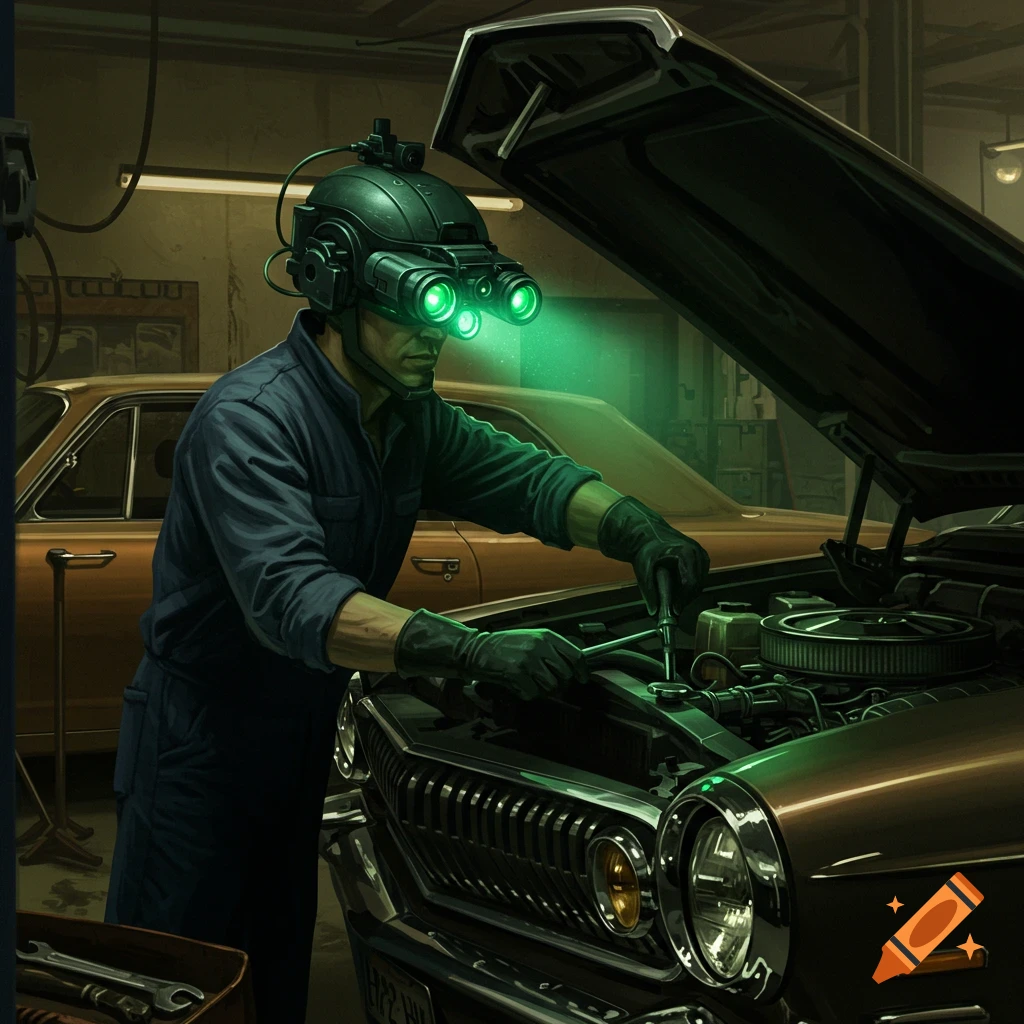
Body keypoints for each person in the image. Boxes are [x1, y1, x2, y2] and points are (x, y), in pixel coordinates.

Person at [103, 120, 710, 1022]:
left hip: (298, 738)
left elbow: (526, 479)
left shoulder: (408, 413)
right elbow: (294, 605)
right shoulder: (252, 421)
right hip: (203, 748)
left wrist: (636, 529)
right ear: (336, 288)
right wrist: (476, 653)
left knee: (273, 972)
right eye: (416, 310)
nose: (437, 339)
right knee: (177, 979)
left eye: (450, 311)